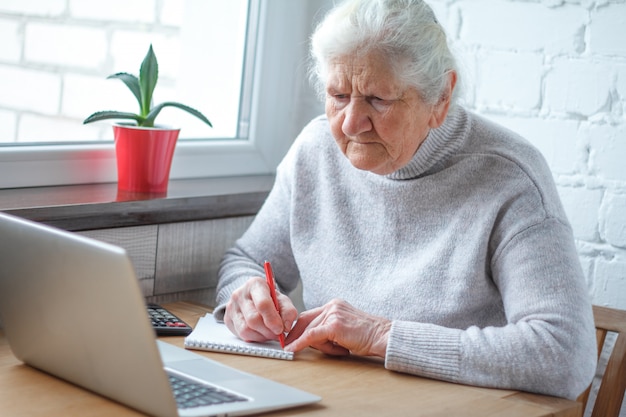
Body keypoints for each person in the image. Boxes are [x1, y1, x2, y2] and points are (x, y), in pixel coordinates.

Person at [215, 0, 596, 400]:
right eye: (339, 95)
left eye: (378, 99)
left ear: (440, 99)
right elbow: (246, 260)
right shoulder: (315, 150)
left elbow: (565, 354)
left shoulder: (509, 178)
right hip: (328, 399)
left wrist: (381, 335)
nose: (349, 123)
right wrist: (248, 296)